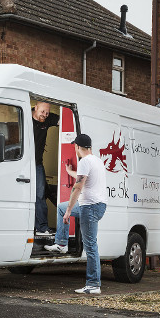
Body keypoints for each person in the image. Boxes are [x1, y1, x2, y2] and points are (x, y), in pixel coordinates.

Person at [44, 133, 107, 294]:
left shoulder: (85, 161)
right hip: (98, 205)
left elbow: (78, 187)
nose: (75, 149)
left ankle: (93, 284)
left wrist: (70, 211)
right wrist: (69, 171)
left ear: (78, 147)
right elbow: (82, 178)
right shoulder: (97, 160)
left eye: (75, 146)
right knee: (60, 207)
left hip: (89, 207)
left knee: (91, 246)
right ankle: (61, 244)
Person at [32, 102, 59, 236]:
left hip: (37, 164)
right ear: (35, 108)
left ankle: (41, 228)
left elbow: (63, 120)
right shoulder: (24, 115)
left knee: (40, 195)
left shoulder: (47, 119)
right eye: (42, 112)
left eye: (47, 113)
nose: (45, 115)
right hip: (22, 162)